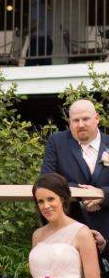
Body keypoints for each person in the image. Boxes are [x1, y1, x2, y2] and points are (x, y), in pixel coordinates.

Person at [41, 99, 109, 250]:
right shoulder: (57, 142)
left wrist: (102, 194)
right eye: (75, 120)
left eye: (85, 119)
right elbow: (46, 180)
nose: (81, 124)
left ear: (97, 118)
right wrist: (81, 193)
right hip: (71, 233)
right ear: (69, 122)